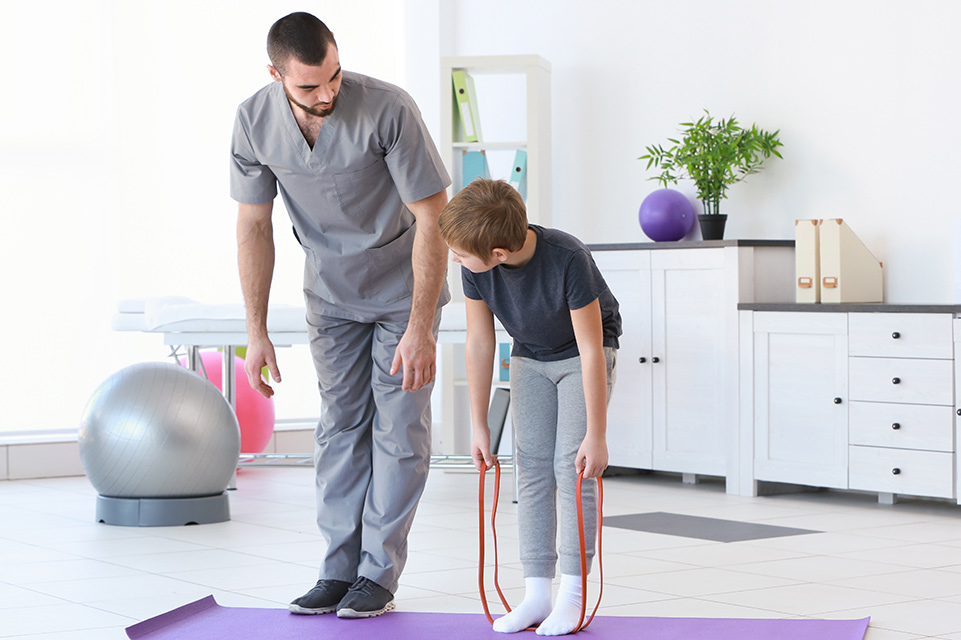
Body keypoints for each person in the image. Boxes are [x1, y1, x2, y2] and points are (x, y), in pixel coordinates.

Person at [229, 12, 450, 619]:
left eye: (333, 76)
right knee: (340, 429)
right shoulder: (253, 122)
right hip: (329, 294)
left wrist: (421, 327)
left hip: (404, 292)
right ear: (275, 75)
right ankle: (337, 570)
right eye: (308, 87)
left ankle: (378, 575)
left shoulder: (388, 108)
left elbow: (434, 218)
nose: (327, 94)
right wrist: (257, 332)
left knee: (399, 430)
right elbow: (253, 225)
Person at [438, 179, 621, 636]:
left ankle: (573, 596)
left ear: (498, 253)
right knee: (533, 468)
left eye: (460, 254)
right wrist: (480, 425)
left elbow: (592, 350)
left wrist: (596, 435)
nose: (454, 260)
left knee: (571, 468)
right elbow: (480, 342)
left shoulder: (567, 257)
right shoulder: (475, 265)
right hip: (530, 356)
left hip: (583, 354)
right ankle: (537, 591)